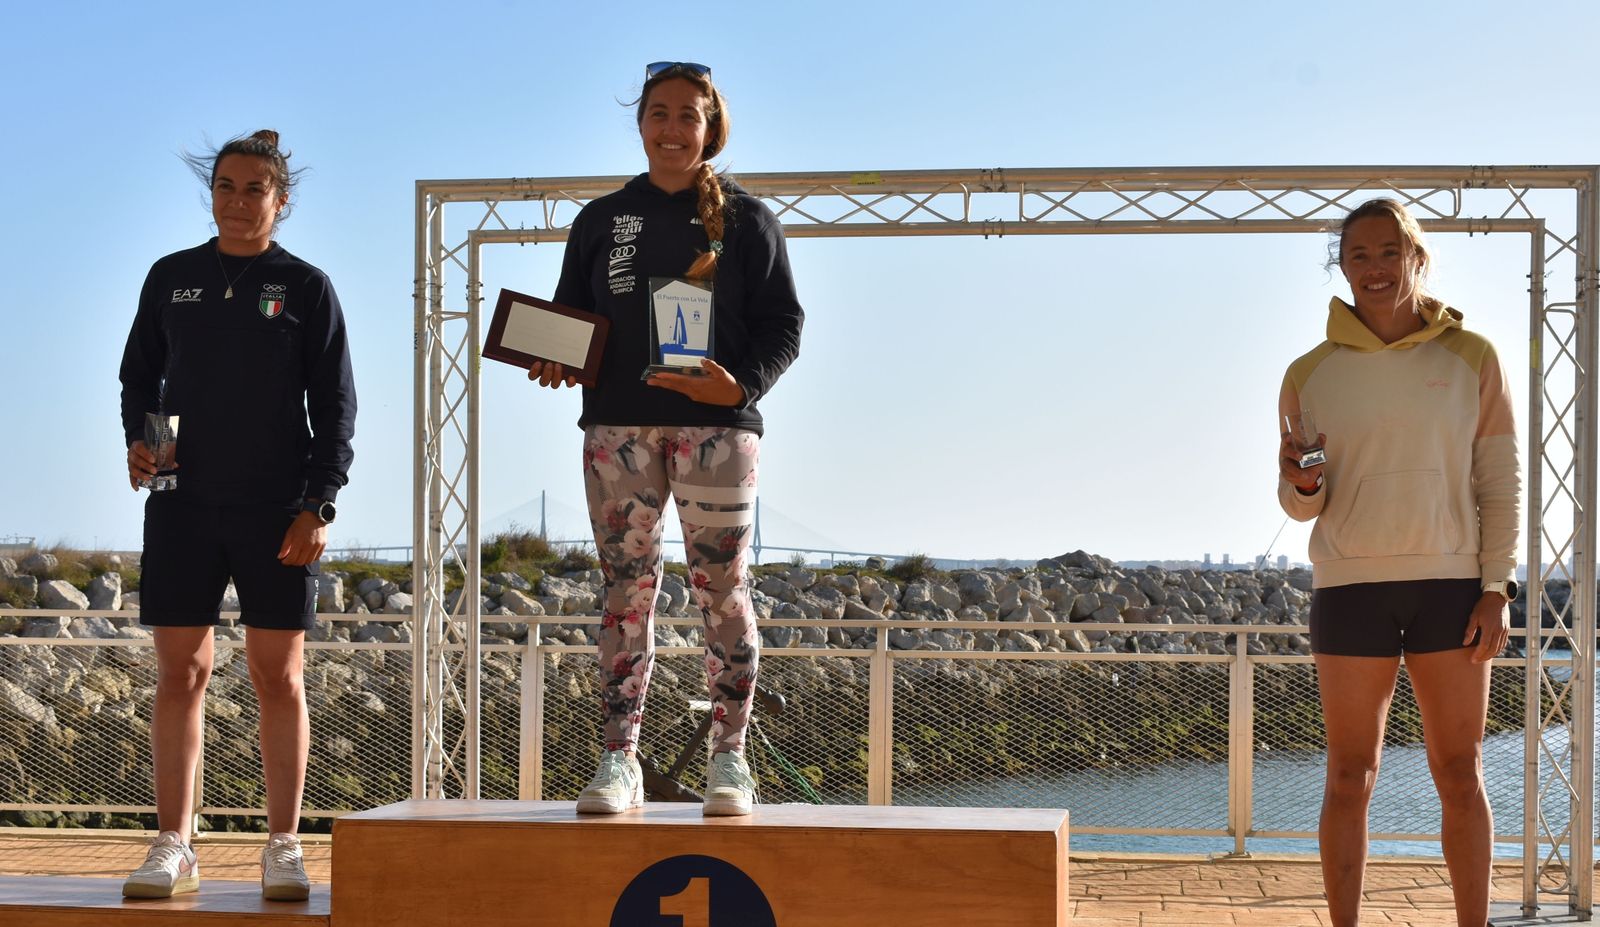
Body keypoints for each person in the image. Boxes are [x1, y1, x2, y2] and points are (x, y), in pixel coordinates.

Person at [529, 61, 803, 816]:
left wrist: (739, 385)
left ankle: (731, 759)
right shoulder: (600, 220)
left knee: (722, 588)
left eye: (689, 114)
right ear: (640, 123)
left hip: (719, 431)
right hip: (616, 428)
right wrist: (554, 358)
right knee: (627, 593)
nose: (672, 127)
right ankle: (619, 760)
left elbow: (787, 325)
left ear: (711, 126)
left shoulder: (749, 220)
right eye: (659, 112)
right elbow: (567, 324)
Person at [118, 130, 356, 900]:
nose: (239, 200)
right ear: (211, 193)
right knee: (181, 670)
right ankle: (175, 844)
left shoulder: (307, 287)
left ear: (280, 203)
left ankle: (283, 844)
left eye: (256, 189)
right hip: (181, 505)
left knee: (277, 676)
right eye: (226, 185)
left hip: (276, 509)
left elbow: (338, 408)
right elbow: (137, 378)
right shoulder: (171, 277)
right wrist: (137, 443)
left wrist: (318, 502)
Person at [1278, 198, 1519, 927]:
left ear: (1417, 256)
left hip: (1451, 586)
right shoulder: (1308, 372)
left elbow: (1498, 482)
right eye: (1359, 255)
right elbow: (1299, 504)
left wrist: (1496, 587)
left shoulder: (1472, 355)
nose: (1375, 268)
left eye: (1390, 252)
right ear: (1342, 266)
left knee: (1460, 772)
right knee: (1350, 776)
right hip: (1350, 587)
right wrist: (1304, 481)